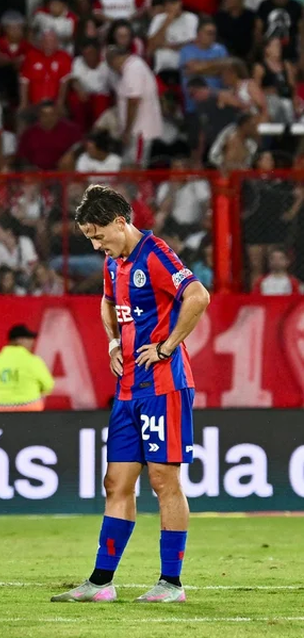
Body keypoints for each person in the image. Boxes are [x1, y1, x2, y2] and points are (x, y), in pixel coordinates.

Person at [52, 185, 210, 604]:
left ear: (121, 222)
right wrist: (112, 343)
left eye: (99, 235)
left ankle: (171, 584)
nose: (96, 245)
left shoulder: (155, 254)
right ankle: (101, 583)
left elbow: (198, 296)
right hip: (127, 390)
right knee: (115, 482)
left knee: (163, 480)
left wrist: (167, 347)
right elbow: (107, 305)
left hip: (163, 386)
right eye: (89, 238)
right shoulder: (113, 263)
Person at [0, 324, 54, 412]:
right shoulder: (32, 360)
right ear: (19, 340)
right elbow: (48, 386)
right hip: (30, 409)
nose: (32, 342)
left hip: (1, 410)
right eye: (29, 339)